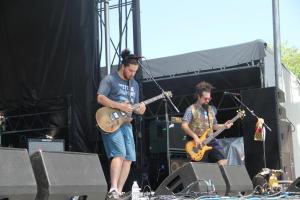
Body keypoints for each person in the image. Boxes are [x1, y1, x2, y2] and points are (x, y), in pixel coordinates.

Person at [97, 49, 146, 200]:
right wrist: (120, 106)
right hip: (111, 121)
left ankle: (118, 191)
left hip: (126, 123)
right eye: (130, 70)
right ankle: (112, 189)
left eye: (135, 71)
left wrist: (140, 109)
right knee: (118, 154)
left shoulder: (135, 84)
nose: (132, 74)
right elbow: (100, 98)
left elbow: (134, 106)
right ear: (123, 66)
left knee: (129, 157)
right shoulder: (110, 79)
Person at [181, 81, 232, 165]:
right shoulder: (191, 109)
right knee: (202, 169)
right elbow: (184, 125)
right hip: (197, 142)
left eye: (209, 98)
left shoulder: (211, 110)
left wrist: (224, 126)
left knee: (223, 161)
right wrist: (195, 137)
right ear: (198, 96)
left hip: (210, 139)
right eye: (205, 98)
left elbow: (214, 126)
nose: (207, 100)